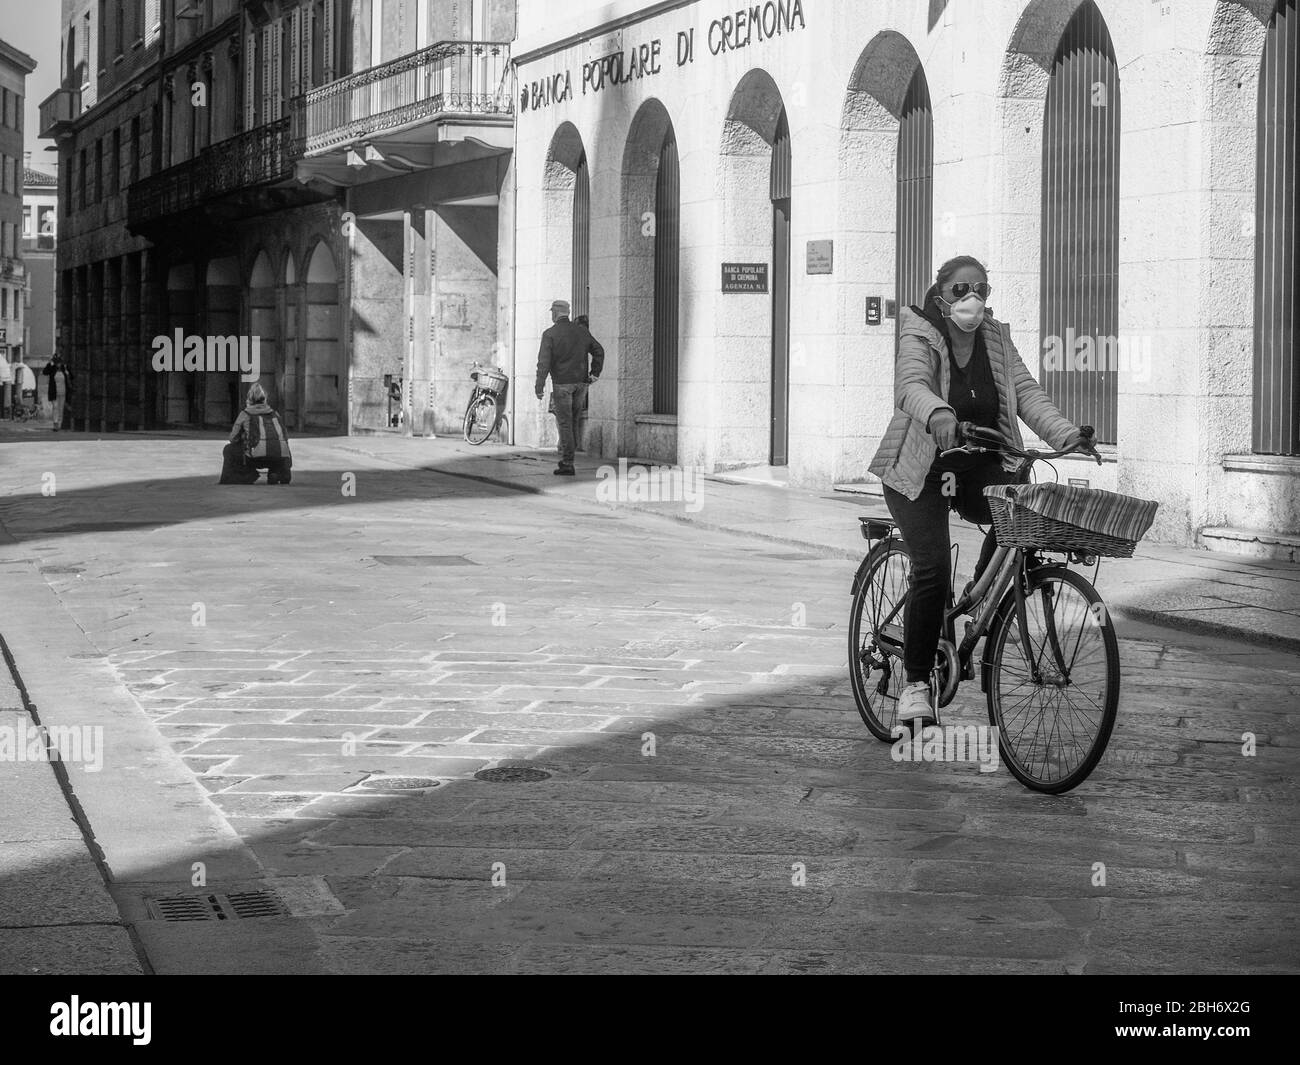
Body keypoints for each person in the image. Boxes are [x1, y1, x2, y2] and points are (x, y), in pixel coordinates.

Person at [868, 254, 1095, 730]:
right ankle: (915, 685)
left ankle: (977, 593)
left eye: (981, 289)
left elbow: (1027, 393)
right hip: (921, 469)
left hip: (978, 463)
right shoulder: (920, 331)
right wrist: (938, 413)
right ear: (940, 295)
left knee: (1019, 514)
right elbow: (909, 385)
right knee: (931, 568)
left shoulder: (996, 338)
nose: (972, 298)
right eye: (960, 289)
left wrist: (1067, 435)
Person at [535, 300, 604, 475]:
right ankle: (569, 457)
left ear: (556, 313)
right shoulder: (581, 331)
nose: (551, 315)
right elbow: (599, 350)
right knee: (573, 420)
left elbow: (543, 362)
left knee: (565, 423)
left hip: (562, 384)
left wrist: (539, 385)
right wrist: (594, 373)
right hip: (581, 384)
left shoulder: (550, 334)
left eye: (552, 312)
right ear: (567, 312)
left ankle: (568, 462)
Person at [221, 383, 292, 485]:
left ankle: (247, 475)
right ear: (265, 399)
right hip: (278, 457)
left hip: (255, 458)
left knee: (228, 449)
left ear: (249, 400)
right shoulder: (275, 414)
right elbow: (285, 437)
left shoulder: (245, 414)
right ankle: (278, 472)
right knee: (283, 446)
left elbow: (232, 438)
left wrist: (243, 437)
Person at [41, 353, 72, 432]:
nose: (58, 364)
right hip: (54, 392)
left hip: (63, 392)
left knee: (61, 408)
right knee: (55, 407)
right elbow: (45, 372)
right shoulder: (52, 369)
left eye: (59, 363)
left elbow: (72, 376)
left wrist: (68, 372)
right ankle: (55, 424)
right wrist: (49, 363)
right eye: (57, 363)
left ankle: (60, 423)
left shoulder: (65, 369)